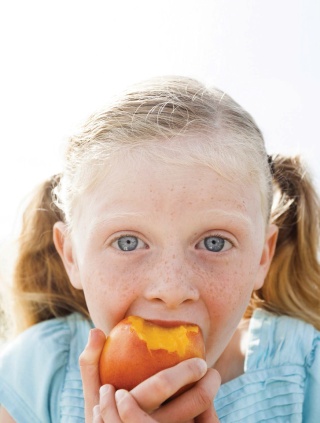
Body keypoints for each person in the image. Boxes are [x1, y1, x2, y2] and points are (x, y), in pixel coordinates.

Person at [0, 76, 319, 422]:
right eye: (128, 242)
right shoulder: (33, 375)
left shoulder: (305, 375)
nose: (171, 290)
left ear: (262, 256)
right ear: (72, 256)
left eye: (214, 243)